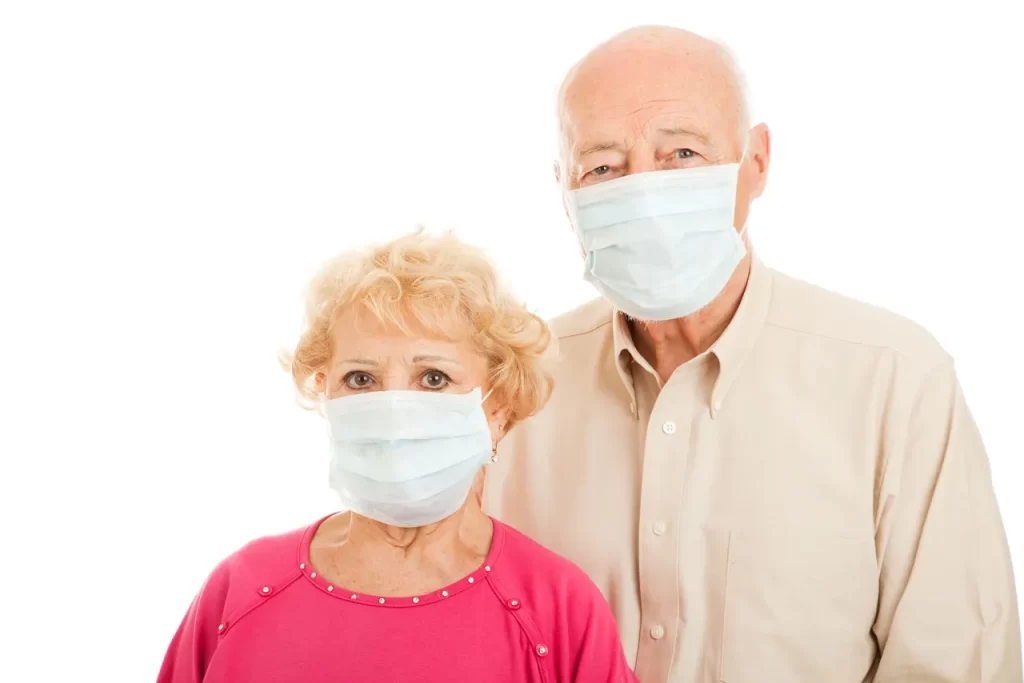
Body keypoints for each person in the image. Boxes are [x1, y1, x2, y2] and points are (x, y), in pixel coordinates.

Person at [483, 25, 1022, 683]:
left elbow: (954, 668)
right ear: (564, 189)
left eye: (682, 153)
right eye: (603, 166)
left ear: (756, 161)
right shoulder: (511, 388)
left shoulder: (895, 382)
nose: (645, 194)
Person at [158, 230, 638, 682]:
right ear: (325, 395)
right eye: (361, 379)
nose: (393, 411)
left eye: (433, 377)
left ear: (498, 407)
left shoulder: (556, 609)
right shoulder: (243, 589)